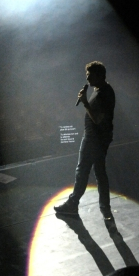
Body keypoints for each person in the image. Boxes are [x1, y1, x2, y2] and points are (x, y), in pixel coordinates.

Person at [54, 61, 115, 220]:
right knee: (99, 172)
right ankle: (105, 210)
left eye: (89, 75)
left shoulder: (104, 93)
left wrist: (85, 102)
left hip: (95, 139)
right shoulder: (99, 90)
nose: (87, 79)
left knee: (83, 171)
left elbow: (98, 119)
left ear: (98, 75)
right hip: (96, 137)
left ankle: (73, 204)